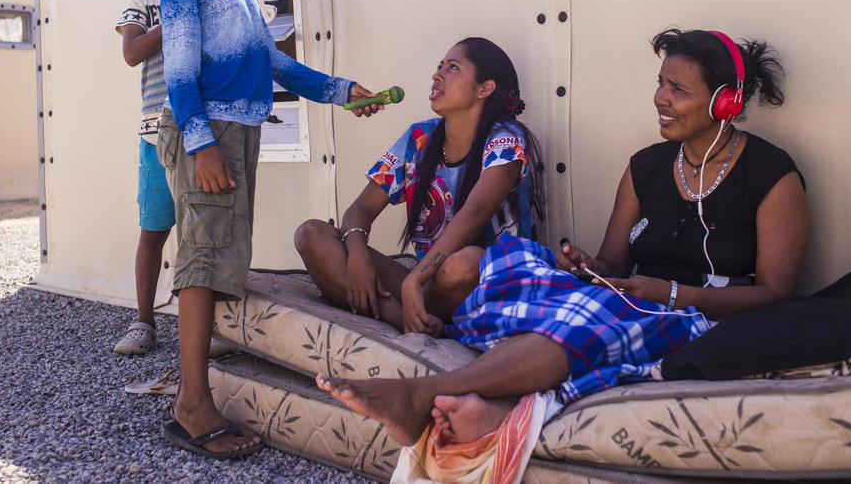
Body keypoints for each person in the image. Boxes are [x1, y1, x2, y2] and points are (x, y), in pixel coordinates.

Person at [315, 28, 810, 459]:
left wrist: (669, 293)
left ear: (726, 102)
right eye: (660, 83)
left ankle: (421, 395)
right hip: (633, 295)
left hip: (696, 313)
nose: (660, 98)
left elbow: (774, 295)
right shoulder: (646, 167)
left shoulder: (769, 174)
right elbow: (613, 261)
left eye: (677, 89)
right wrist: (589, 265)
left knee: (579, 320)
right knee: (564, 297)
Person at [157, 0, 383, 461]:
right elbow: (179, 76)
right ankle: (191, 404)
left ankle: (197, 387)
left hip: (236, 133)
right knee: (203, 262)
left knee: (223, 254)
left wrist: (339, 90)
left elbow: (275, 65)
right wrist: (202, 144)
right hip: (207, 134)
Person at [294, 37, 546, 335]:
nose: (436, 75)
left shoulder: (506, 139)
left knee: (464, 264)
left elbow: (476, 212)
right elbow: (361, 209)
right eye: (440, 66)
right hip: (426, 287)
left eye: (452, 68)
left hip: (488, 287)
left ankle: (409, 316)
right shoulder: (420, 137)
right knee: (312, 234)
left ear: (484, 89)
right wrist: (358, 252)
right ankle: (407, 322)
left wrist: (414, 280)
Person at [112, 0, 196, 356]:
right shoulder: (145, 0)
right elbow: (131, 52)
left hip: (199, 133)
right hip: (154, 138)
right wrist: (177, 19)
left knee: (198, 234)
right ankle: (144, 321)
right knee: (153, 230)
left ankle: (202, 326)